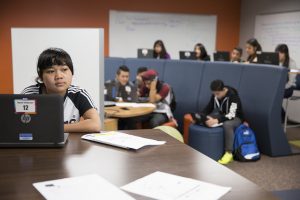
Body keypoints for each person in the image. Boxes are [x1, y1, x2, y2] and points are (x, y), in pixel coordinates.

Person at [21, 48, 101, 133]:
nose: (59, 76)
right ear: (41, 77)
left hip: (69, 144)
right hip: (38, 143)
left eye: (64, 69)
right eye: (51, 71)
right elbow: (22, 125)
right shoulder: (30, 94)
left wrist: (55, 128)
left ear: (72, 73)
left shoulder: (78, 93)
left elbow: (95, 124)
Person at [190, 80, 244, 165]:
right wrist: (200, 116)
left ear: (223, 90)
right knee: (207, 118)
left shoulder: (233, 96)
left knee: (227, 124)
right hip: (223, 115)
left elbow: (231, 115)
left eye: (218, 94)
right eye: (214, 93)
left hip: (236, 118)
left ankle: (229, 153)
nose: (216, 96)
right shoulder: (215, 95)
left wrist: (217, 120)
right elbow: (208, 108)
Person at [275, 44, 298, 121]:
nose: (278, 55)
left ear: (285, 53)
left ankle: (282, 117)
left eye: (280, 53)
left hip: (289, 88)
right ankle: (282, 117)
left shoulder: (292, 63)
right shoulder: (276, 62)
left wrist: (280, 88)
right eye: (277, 53)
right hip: (278, 88)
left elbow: (291, 82)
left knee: (275, 97)